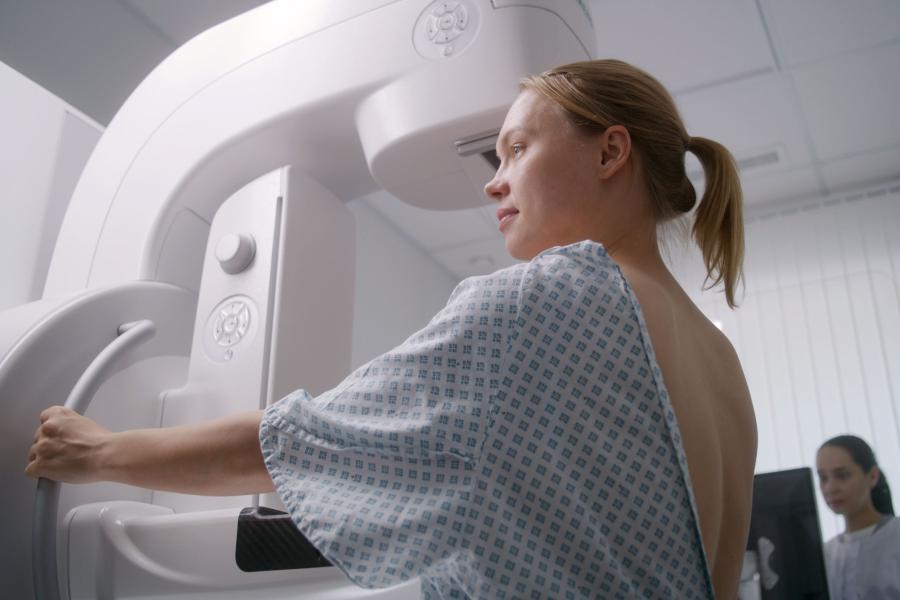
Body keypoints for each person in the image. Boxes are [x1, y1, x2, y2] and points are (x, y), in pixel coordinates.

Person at [26, 59, 757, 599]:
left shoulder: (549, 301)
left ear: (609, 151)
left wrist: (103, 451)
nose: (492, 181)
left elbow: (291, 443)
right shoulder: (722, 362)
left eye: (517, 149)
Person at [816, 435, 900, 599]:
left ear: (872, 476)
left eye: (842, 475)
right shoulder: (825, 555)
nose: (830, 488)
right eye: (823, 478)